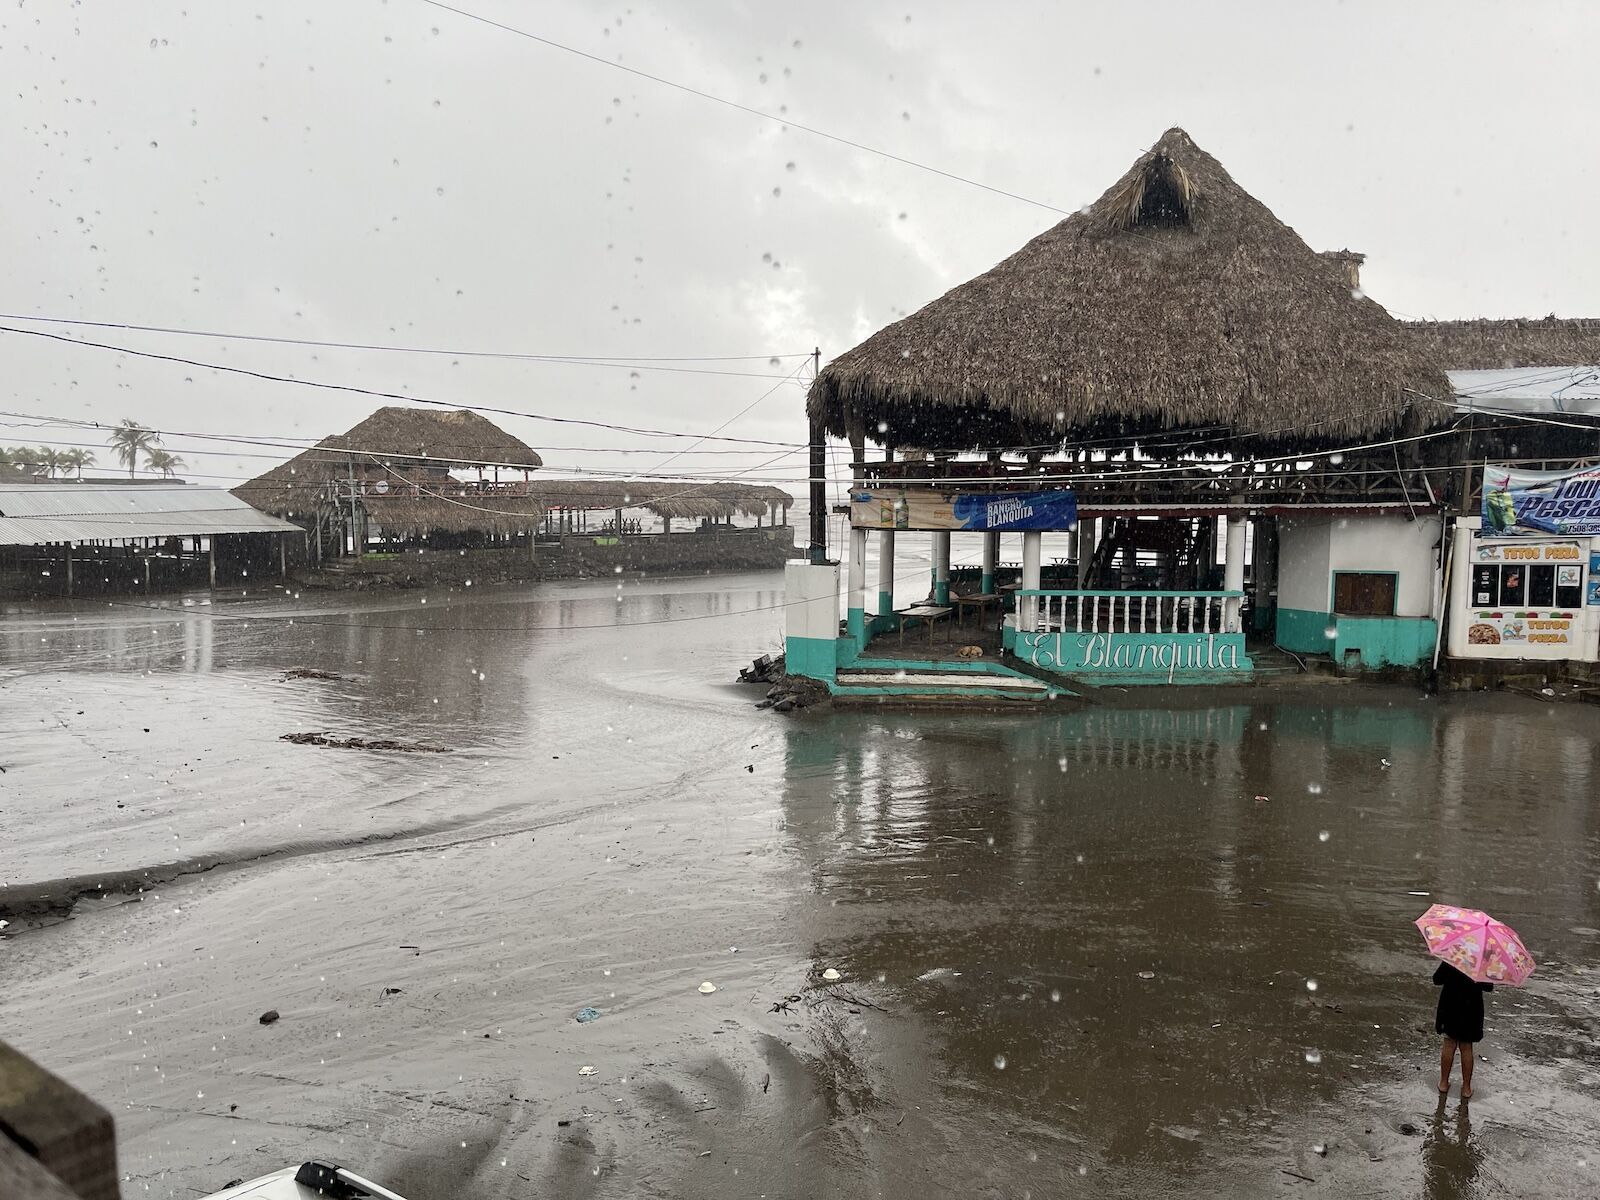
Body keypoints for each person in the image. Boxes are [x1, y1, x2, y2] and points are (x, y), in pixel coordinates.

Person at [1434, 961, 1493, 1097]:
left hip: (1450, 1006)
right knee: (1466, 1047)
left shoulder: (1454, 957)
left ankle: (1443, 1083)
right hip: (1471, 1009)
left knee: (1449, 1044)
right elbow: (1488, 987)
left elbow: (1437, 979)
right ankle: (1466, 1088)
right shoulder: (1482, 960)